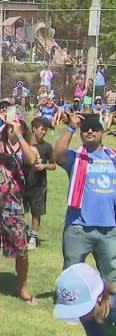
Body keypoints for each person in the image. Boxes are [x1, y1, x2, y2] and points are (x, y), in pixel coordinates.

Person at [0, 116, 38, 304]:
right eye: (11, 126)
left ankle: (22, 287)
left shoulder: (26, 146)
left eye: (17, 124)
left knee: (21, 249)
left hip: (14, 207)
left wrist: (20, 136)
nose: (13, 128)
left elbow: (32, 159)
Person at [54, 112, 116, 285]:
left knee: (111, 276)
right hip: (78, 227)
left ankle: (110, 309)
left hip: (109, 228)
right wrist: (71, 128)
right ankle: (71, 308)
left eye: (95, 128)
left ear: (102, 131)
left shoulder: (113, 157)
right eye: (85, 128)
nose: (90, 131)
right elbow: (57, 155)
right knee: (71, 273)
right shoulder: (75, 157)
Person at [24, 117, 55, 250]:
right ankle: (18, 233)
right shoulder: (25, 144)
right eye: (42, 129)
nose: (44, 132)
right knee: (19, 210)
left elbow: (54, 165)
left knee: (36, 212)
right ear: (34, 129)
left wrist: (44, 166)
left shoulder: (47, 147)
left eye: (46, 130)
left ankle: (33, 238)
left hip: (39, 185)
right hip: (23, 183)